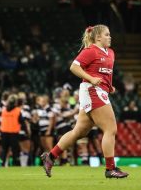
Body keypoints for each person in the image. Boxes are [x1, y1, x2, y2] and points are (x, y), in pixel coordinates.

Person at [41, 24, 128, 178]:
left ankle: (51, 156)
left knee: (79, 132)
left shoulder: (111, 53)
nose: (110, 37)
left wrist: (109, 86)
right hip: (91, 90)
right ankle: (110, 168)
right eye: (107, 34)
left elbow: (105, 73)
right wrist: (91, 78)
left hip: (99, 91)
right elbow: (74, 67)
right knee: (111, 129)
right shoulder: (90, 51)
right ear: (98, 37)